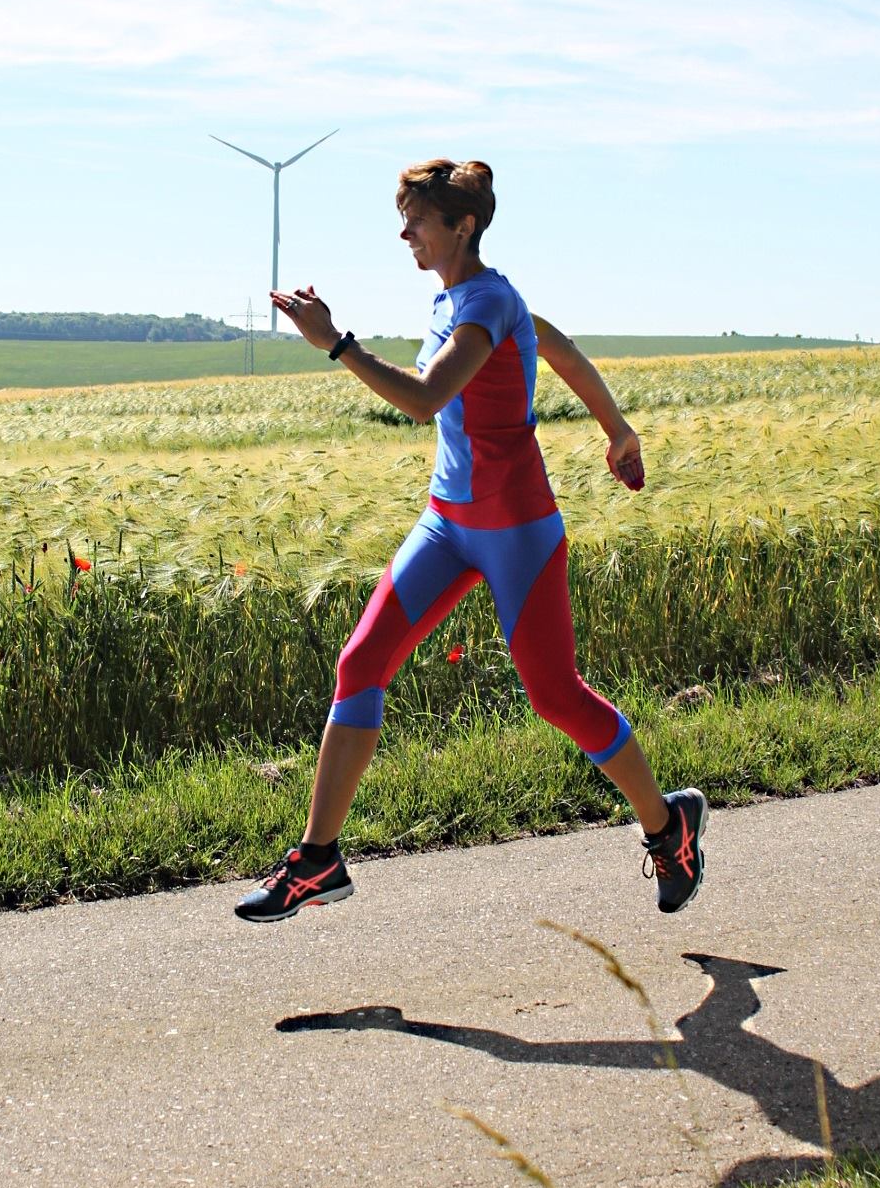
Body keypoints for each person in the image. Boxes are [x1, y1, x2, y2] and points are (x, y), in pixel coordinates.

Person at [234, 158, 706, 923]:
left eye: (416, 219)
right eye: (405, 216)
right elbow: (558, 348)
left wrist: (336, 342)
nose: (404, 232)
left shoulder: (485, 302)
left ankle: (666, 824)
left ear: (463, 225)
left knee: (556, 696)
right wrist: (617, 429)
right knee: (360, 663)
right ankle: (317, 860)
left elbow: (424, 400)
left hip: (517, 529)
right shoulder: (460, 297)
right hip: (448, 523)